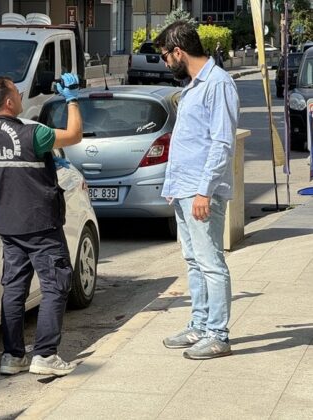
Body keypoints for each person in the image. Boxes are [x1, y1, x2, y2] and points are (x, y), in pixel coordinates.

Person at [0, 74, 83, 376]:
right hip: (40, 224)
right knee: (55, 285)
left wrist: (47, 160)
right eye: (16, 91)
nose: (21, 95)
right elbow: (74, 135)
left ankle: (13, 356)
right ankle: (45, 355)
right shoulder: (34, 134)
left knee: (14, 288)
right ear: (9, 102)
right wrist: (72, 98)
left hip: (7, 224)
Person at [155, 21, 239, 359]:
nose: (164, 63)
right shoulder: (194, 86)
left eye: (165, 56)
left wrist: (204, 191)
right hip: (185, 189)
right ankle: (200, 325)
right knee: (194, 260)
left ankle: (218, 333)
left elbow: (221, 143)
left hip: (202, 191)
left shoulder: (217, 84)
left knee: (211, 262)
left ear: (179, 52)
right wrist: (174, 186)